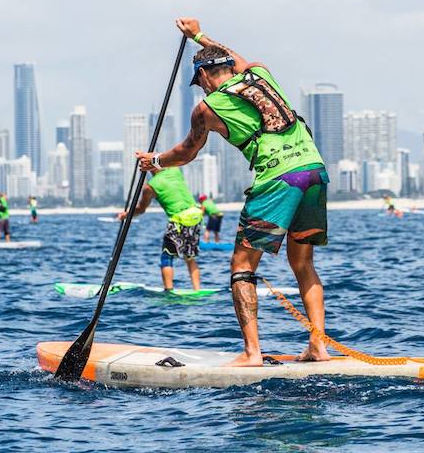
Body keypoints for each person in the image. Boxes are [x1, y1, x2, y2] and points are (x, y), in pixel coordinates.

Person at [137, 18, 331, 366]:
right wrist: (197, 35)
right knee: (303, 263)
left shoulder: (206, 110)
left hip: (278, 179)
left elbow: (186, 152)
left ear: (206, 75)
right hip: (314, 171)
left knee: (241, 264)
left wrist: (155, 159)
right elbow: (234, 57)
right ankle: (319, 347)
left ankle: (252, 353)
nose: (202, 90)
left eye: (200, 83)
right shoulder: (261, 74)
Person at [118, 167, 203, 291]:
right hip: (196, 215)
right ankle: (197, 290)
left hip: (179, 220)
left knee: (167, 257)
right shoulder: (175, 170)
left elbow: (141, 209)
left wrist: (126, 215)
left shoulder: (150, 187)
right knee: (189, 257)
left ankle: (168, 291)